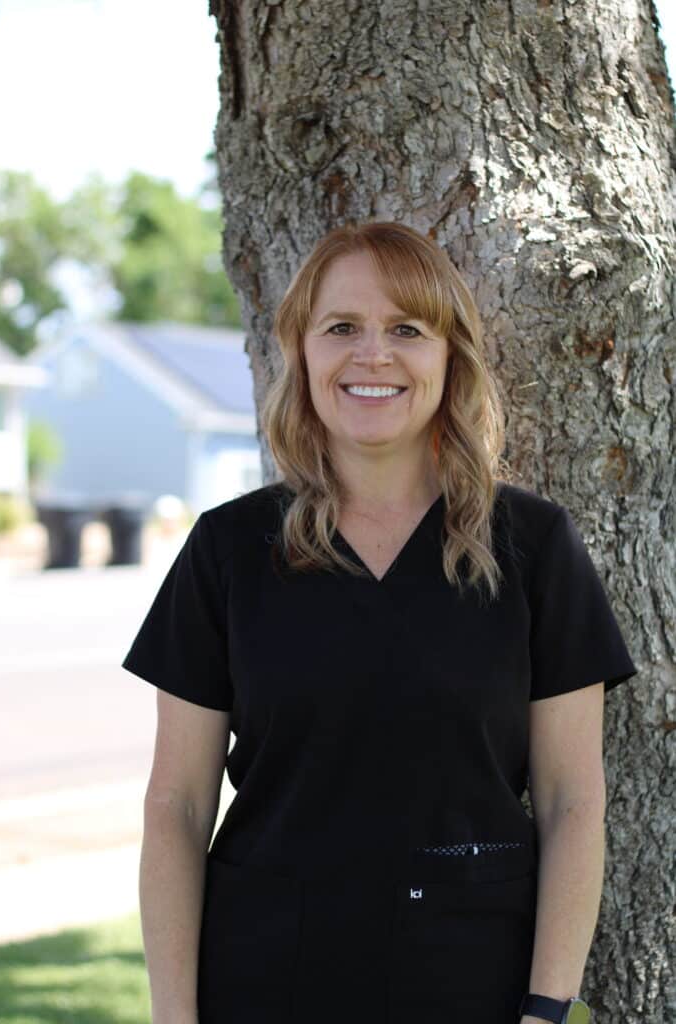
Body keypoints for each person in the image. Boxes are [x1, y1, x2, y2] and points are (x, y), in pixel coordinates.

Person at [121, 222, 639, 1024]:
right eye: (341, 329)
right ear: (300, 351)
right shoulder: (227, 549)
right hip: (266, 977)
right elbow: (177, 808)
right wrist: (174, 1017)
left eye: (406, 329)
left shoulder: (534, 548)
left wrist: (544, 1008)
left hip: (473, 981)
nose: (373, 355)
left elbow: (572, 800)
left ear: (448, 356)